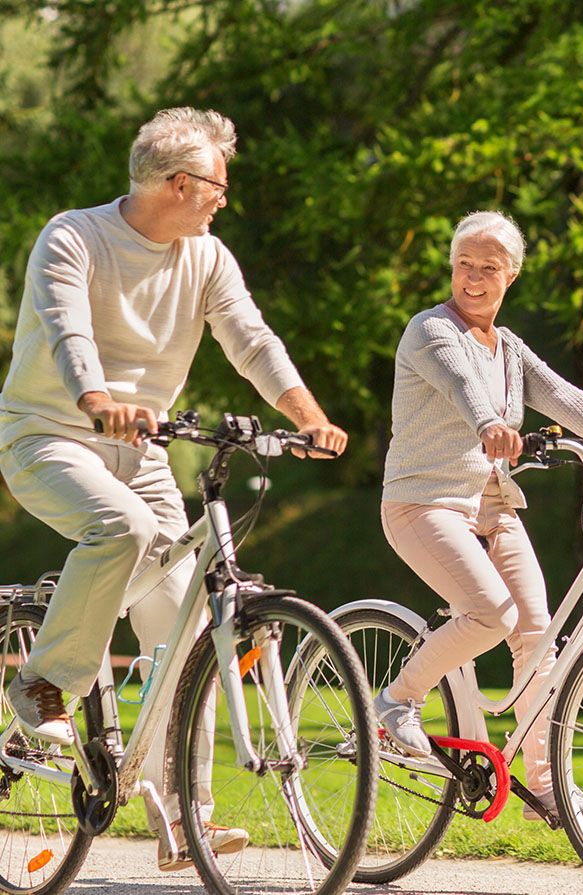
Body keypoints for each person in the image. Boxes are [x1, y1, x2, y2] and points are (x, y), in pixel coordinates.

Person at [0, 107, 347, 869]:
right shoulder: (74, 235)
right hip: (49, 437)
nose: (225, 198)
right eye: (219, 184)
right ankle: (42, 683)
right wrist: (97, 400)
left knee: (186, 626)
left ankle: (182, 819)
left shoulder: (208, 257)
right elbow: (68, 332)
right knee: (119, 528)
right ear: (180, 182)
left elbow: (251, 339)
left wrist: (308, 416)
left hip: (146, 452)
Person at [375, 210, 583, 825]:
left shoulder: (509, 349)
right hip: (422, 502)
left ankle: (546, 786)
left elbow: (563, 396)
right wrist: (491, 426)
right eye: (463, 265)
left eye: (488, 269)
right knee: (490, 614)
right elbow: (461, 387)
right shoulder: (430, 331)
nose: (472, 279)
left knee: (537, 634)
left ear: (512, 278)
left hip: (490, 505)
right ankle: (398, 699)